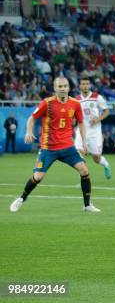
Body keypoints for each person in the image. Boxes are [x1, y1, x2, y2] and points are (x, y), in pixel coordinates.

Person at [9, 77, 100, 213]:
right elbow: (32, 118)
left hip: (67, 147)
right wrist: (28, 132)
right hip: (48, 148)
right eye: (60, 86)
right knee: (38, 177)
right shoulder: (47, 103)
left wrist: (84, 141)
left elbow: (81, 123)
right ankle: (21, 198)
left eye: (65, 86)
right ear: (55, 88)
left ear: (69, 88)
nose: (62, 89)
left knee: (84, 171)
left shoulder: (75, 104)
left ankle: (87, 205)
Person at [75, 76, 112, 179]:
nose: (85, 86)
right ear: (80, 86)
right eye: (83, 84)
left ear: (90, 85)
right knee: (78, 151)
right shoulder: (76, 100)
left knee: (96, 158)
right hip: (81, 129)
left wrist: (98, 119)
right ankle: (84, 174)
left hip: (94, 131)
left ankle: (105, 164)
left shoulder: (97, 97)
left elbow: (106, 111)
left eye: (87, 84)